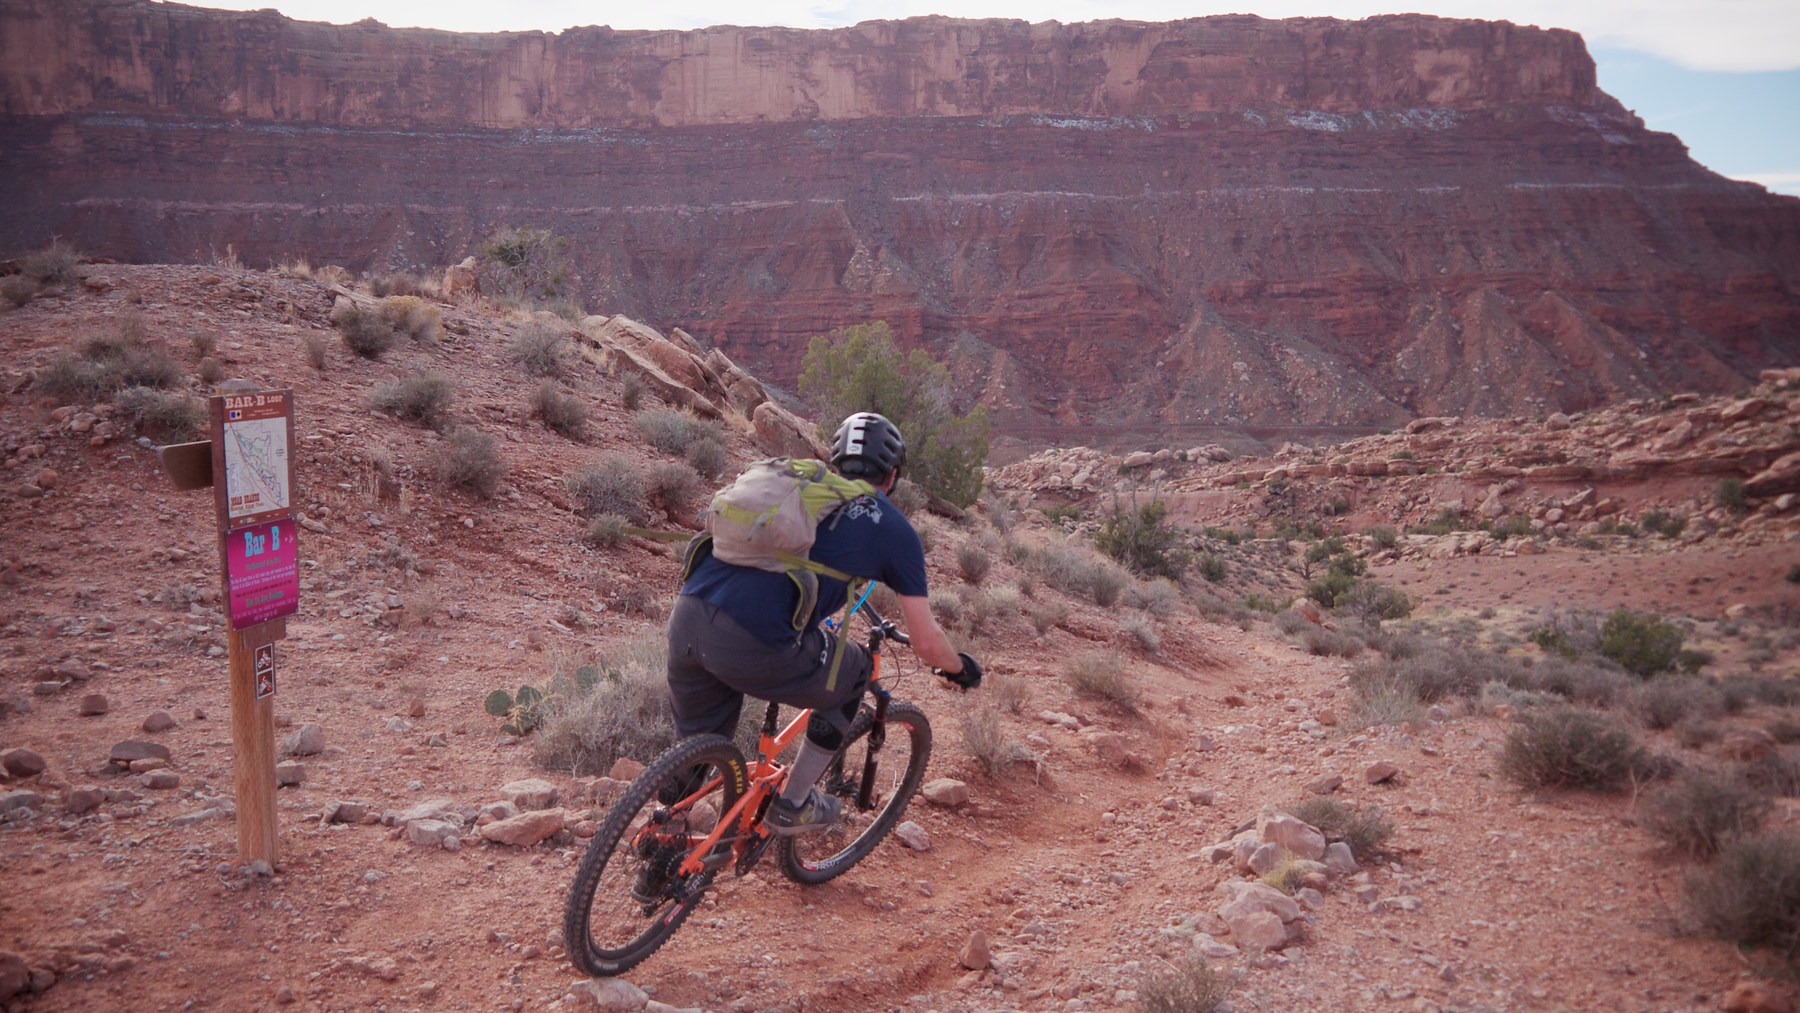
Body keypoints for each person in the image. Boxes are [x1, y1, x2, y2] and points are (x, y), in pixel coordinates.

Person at [665, 411, 981, 834]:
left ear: (835, 463)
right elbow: (925, 641)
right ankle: (792, 805)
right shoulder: (892, 528)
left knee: (699, 747)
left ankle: (662, 840)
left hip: (688, 618)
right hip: (753, 641)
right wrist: (959, 668)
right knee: (854, 671)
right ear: (892, 475)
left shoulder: (800, 489)